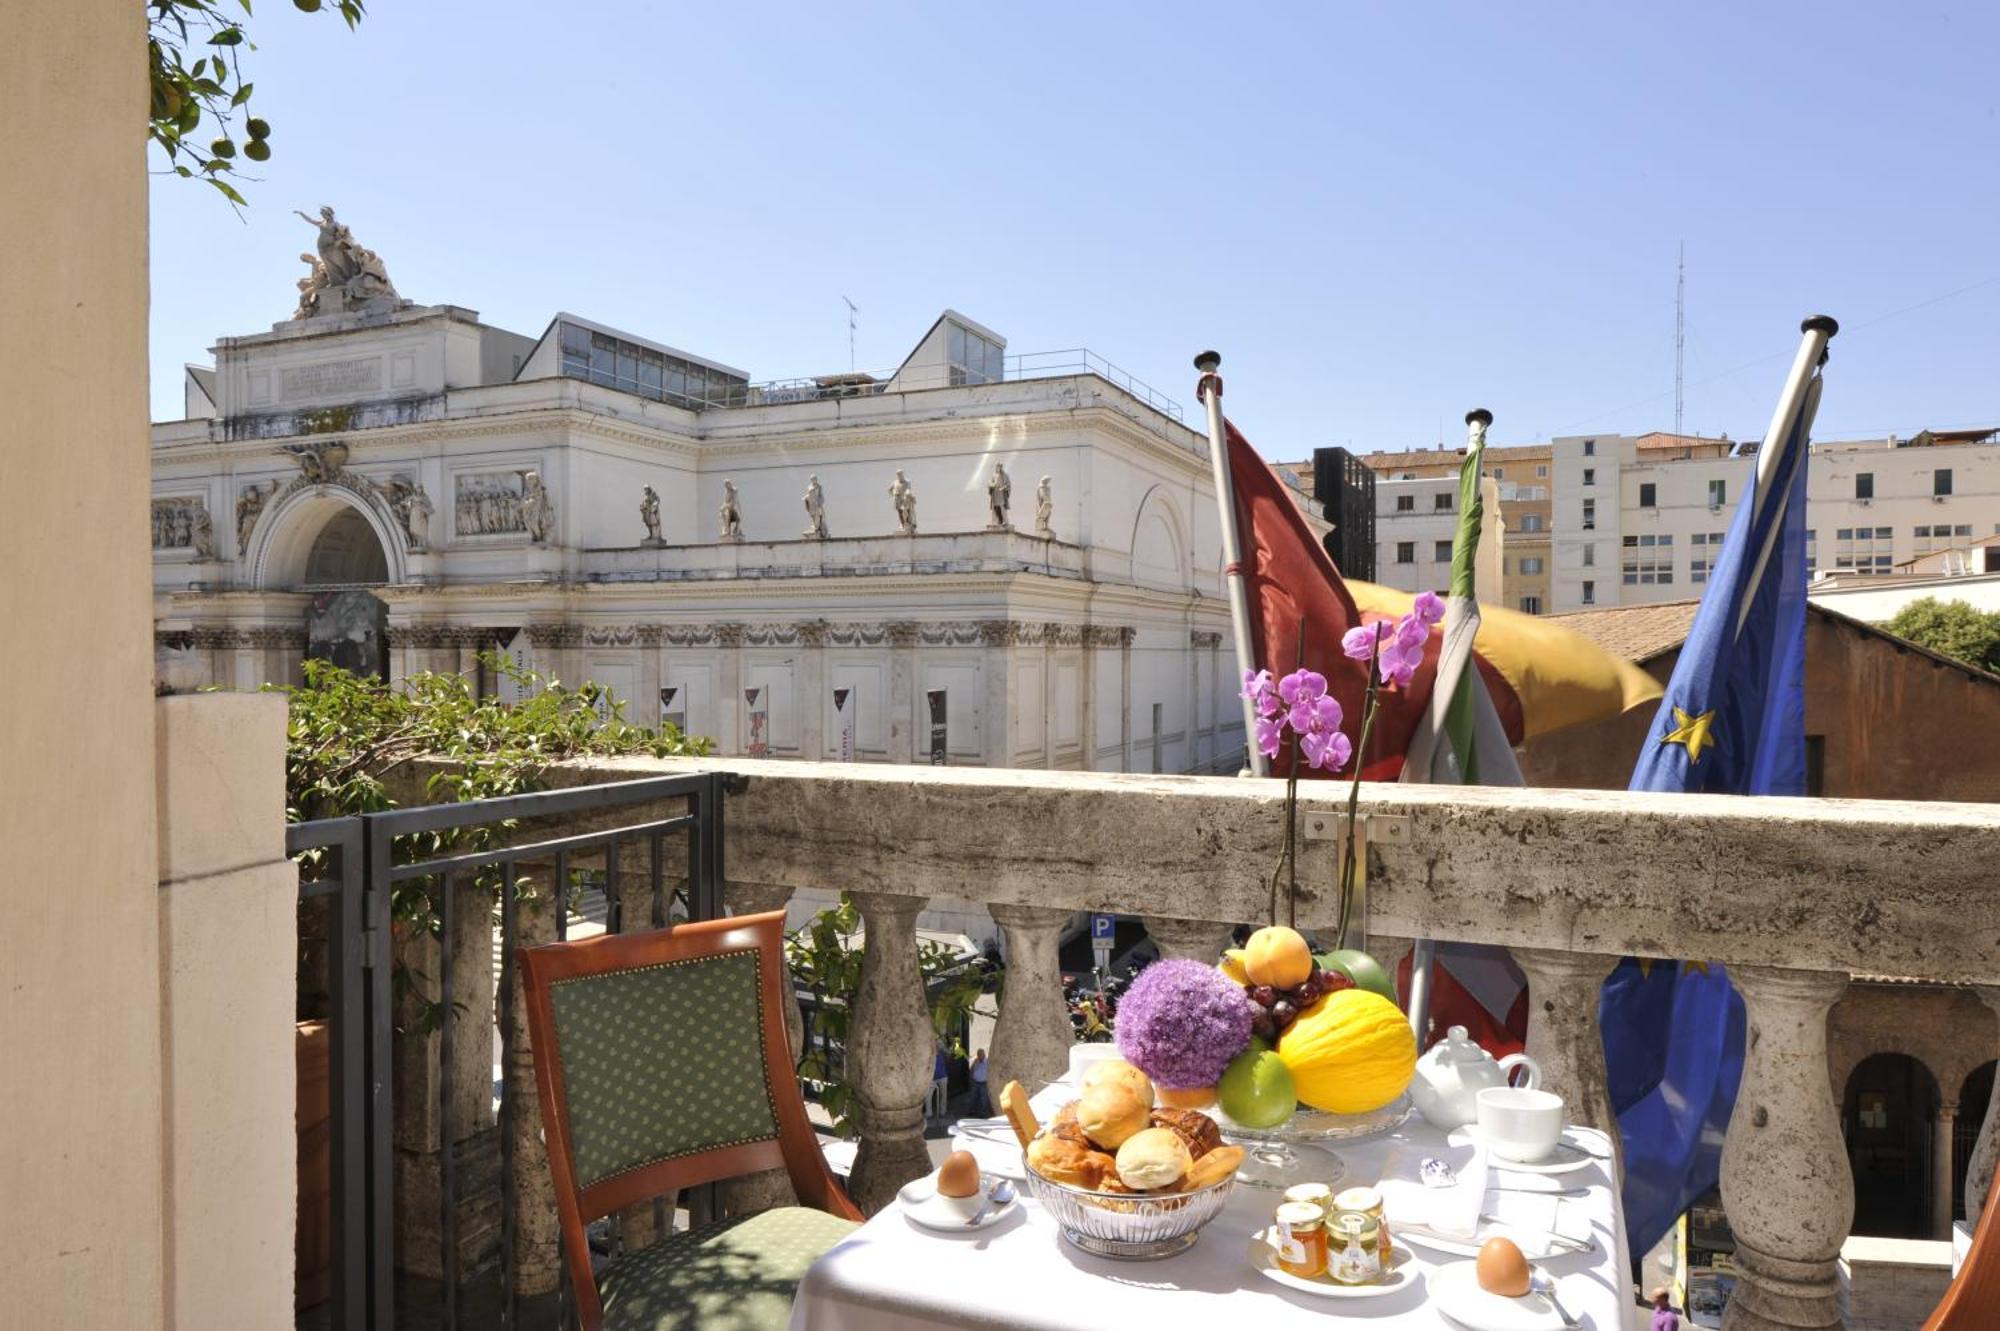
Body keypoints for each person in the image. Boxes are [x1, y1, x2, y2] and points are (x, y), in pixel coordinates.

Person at [969, 1048, 991, 1117]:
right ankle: (972, 1111)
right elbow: (972, 1069)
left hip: (983, 1083)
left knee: (983, 1100)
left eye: (981, 1055)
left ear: (984, 1055)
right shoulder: (976, 1061)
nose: (979, 1056)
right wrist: (972, 1077)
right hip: (976, 1082)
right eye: (978, 1055)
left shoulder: (988, 1062)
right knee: (973, 1098)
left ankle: (983, 1113)